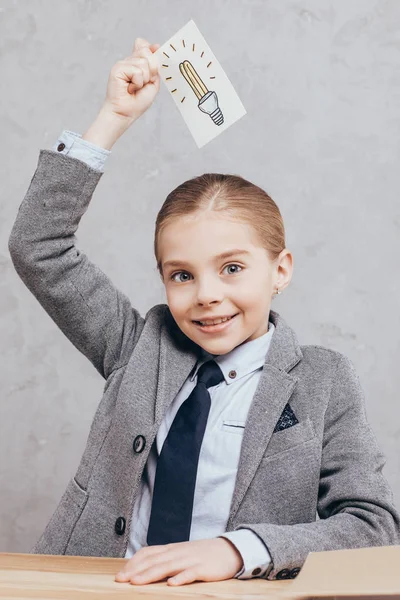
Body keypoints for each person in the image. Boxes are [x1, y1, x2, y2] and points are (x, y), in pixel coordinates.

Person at [8, 37, 400, 587]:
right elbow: (38, 246)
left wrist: (239, 549)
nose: (207, 294)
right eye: (182, 275)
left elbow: (372, 526)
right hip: (91, 588)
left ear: (280, 269)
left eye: (232, 268)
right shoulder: (136, 345)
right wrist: (112, 118)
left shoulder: (323, 379)